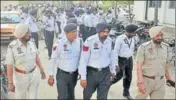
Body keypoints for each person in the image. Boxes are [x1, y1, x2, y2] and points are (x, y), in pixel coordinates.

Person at [5, 24, 46, 99]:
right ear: (21, 34)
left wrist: (42, 70)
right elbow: (9, 65)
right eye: (27, 33)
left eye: (29, 32)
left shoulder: (31, 43)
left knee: (33, 97)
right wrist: (10, 83)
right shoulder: (12, 47)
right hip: (20, 77)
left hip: (34, 74)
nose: (29, 34)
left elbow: (36, 57)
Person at [135, 26, 175, 99]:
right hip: (146, 80)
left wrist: (169, 78)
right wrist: (140, 82)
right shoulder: (143, 47)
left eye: (161, 35)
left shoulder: (166, 47)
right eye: (157, 36)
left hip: (160, 82)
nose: (160, 38)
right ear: (152, 36)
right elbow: (138, 67)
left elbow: (165, 65)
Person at [78, 23, 116, 99]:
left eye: (107, 32)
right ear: (98, 31)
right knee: (87, 95)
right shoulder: (90, 41)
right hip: (91, 73)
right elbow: (83, 60)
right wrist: (83, 77)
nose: (106, 34)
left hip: (105, 73)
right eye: (103, 32)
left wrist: (113, 70)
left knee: (103, 97)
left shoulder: (110, 41)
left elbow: (112, 57)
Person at [48, 23, 83, 99]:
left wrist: (82, 73)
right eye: (73, 32)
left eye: (76, 31)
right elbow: (53, 60)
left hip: (74, 75)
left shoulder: (80, 42)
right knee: (62, 96)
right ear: (66, 33)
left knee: (71, 96)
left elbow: (82, 59)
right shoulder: (59, 44)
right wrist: (51, 75)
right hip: (62, 75)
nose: (75, 33)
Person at [111, 24, 138, 99]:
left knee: (128, 76)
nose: (135, 34)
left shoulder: (133, 38)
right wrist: (116, 64)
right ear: (129, 32)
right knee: (118, 76)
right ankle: (106, 85)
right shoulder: (120, 39)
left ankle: (126, 93)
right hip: (121, 60)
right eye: (134, 32)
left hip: (129, 59)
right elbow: (115, 52)